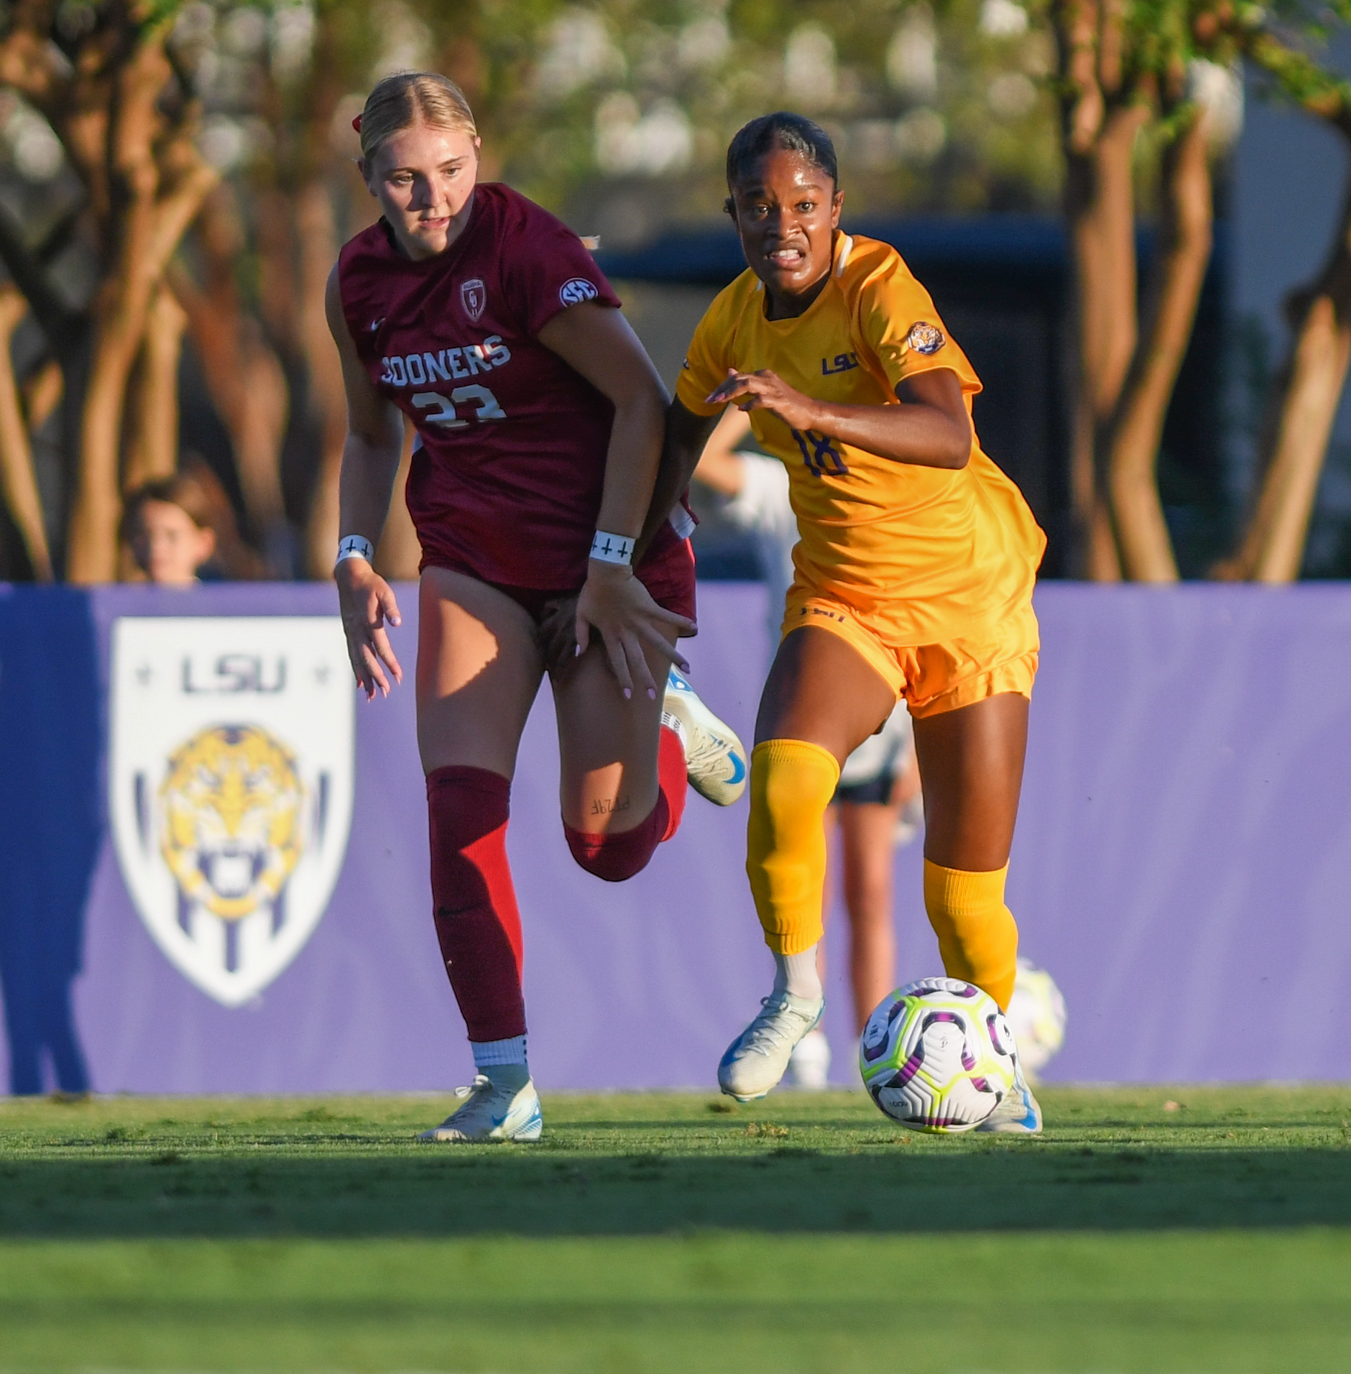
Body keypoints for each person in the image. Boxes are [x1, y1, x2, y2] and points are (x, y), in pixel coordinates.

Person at [329, 71, 748, 1143]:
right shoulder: (360, 281)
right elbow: (376, 433)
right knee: (457, 812)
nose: (434, 201)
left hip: (611, 551)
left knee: (604, 849)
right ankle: (502, 1084)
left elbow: (641, 405)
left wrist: (610, 566)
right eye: (405, 180)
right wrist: (354, 553)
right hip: (473, 556)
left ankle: (667, 714)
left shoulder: (524, 248)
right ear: (368, 175)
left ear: (480, 154)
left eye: (453, 172)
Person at [676, 111, 1047, 1131]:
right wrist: (621, 550)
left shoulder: (880, 286)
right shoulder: (731, 322)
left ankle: (996, 1065)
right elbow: (669, 441)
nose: (781, 225)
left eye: (802, 205)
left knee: (962, 901)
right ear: (734, 214)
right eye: (758, 207)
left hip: (971, 603)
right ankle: (795, 999)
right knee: (788, 779)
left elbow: (945, 430)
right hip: (846, 599)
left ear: (836, 210)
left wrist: (811, 409)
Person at [693, 408, 923, 1087]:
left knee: (871, 891)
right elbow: (702, 462)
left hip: (886, 722)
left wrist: (916, 743)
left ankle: (873, 1038)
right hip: (803, 714)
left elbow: (917, 620)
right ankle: (806, 1039)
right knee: (803, 883)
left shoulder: (897, 497)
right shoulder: (782, 487)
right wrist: (748, 401)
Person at [124, 469, 221, 587]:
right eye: (143, 535)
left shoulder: (220, 604)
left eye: (172, 535)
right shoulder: (119, 603)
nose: (156, 546)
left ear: (204, 543)